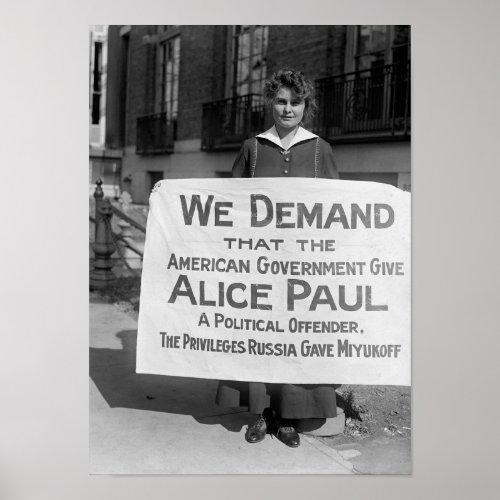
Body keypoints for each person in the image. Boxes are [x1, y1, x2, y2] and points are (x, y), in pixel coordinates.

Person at [216, 69, 340, 448]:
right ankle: (260, 413)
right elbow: (228, 207)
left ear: (306, 106)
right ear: (271, 103)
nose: (288, 109)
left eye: (296, 102)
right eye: (281, 101)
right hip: (258, 264)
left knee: (294, 338)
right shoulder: (253, 148)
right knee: (258, 336)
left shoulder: (320, 149)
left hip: (303, 265)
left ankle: (287, 417)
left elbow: (339, 210)